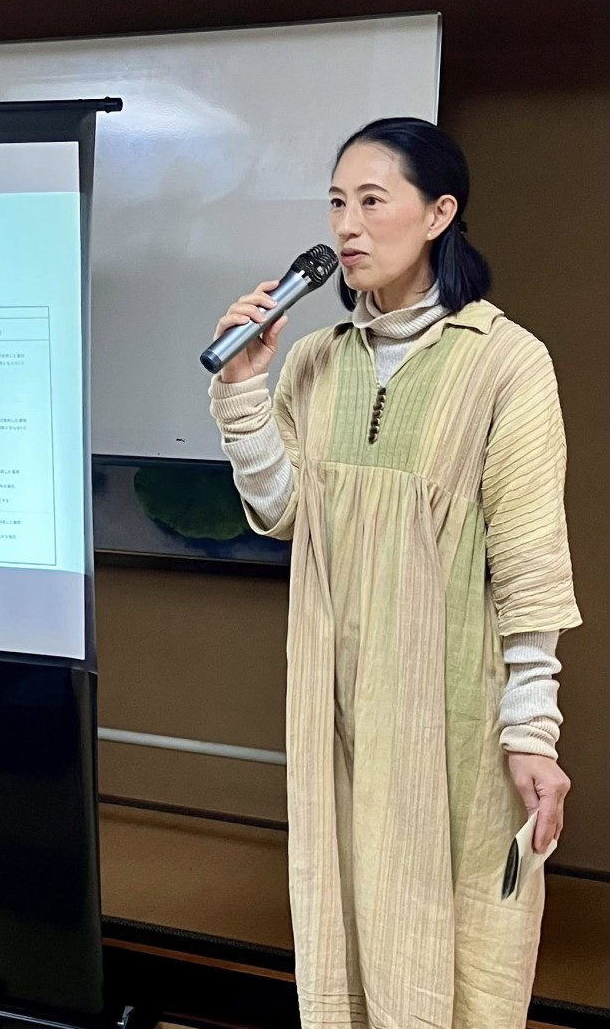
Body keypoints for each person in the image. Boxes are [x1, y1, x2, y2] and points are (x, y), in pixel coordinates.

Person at [207, 118, 580, 1029]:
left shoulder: (505, 361)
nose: (347, 226)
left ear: (438, 213)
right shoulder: (314, 359)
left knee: (456, 934)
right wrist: (243, 389)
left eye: (373, 201)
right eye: (337, 203)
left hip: (450, 712)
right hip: (334, 707)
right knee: (342, 918)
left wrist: (532, 729)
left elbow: (529, 559)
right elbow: (282, 512)